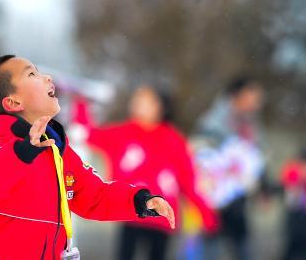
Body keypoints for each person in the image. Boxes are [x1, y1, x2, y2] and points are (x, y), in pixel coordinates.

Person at [0, 55, 175, 260]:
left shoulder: (53, 147)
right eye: (32, 74)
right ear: (13, 102)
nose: (47, 77)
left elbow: (93, 195)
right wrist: (23, 152)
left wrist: (139, 201)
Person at [72, 85, 219, 260]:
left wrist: (207, 215)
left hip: (163, 217)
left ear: (161, 107)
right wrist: (81, 102)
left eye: (145, 100)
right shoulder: (122, 133)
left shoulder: (174, 141)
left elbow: (188, 183)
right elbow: (87, 134)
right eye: (137, 99)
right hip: (131, 211)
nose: (137, 103)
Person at [193, 75, 266, 260]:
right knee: (212, 246)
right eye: (253, 97)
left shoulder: (250, 123)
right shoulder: (215, 120)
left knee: (242, 245)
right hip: (216, 195)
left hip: (239, 196)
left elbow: (256, 158)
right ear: (237, 96)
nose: (257, 102)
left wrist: (263, 185)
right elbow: (201, 154)